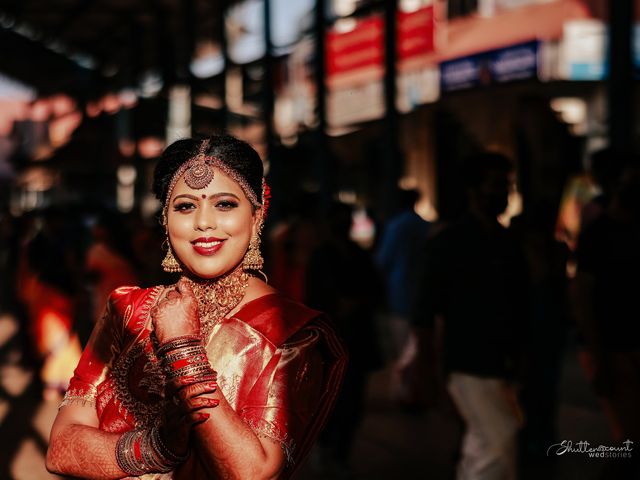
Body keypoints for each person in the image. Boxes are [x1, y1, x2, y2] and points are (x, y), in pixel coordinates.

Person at [46, 134, 348, 480]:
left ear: (257, 216)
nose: (204, 222)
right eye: (185, 206)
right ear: (165, 218)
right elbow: (60, 449)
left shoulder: (289, 332)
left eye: (224, 204)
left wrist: (183, 351)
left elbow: (252, 473)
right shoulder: (126, 309)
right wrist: (157, 447)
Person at [412, 152, 528, 480]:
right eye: (497, 185)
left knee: (488, 443)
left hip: (501, 361)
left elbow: (520, 305)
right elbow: (424, 312)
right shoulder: (450, 243)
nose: (503, 194)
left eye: (506, 186)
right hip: (467, 360)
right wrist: (427, 367)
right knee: (497, 441)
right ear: (474, 190)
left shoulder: (507, 242)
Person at [375, 188, 431, 406]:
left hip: (399, 294)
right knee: (417, 348)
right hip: (420, 294)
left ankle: (404, 392)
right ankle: (416, 391)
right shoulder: (425, 226)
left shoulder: (396, 226)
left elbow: (383, 260)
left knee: (402, 347)